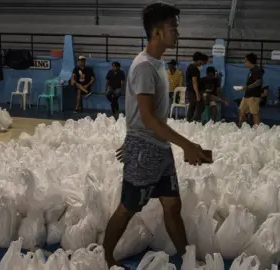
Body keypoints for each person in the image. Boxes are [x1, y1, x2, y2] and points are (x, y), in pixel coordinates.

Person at [102, 3, 212, 269]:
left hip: (158, 149)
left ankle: (187, 258)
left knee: (172, 206)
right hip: (145, 151)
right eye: (173, 27)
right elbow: (148, 118)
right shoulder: (143, 67)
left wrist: (136, 137)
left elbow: (145, 117)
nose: (178, 32)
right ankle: (106, 257)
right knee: (128, 207)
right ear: (157, 33)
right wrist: (187, 145)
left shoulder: (158, 64)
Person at [237, 53, 263, 126]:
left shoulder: (256, 70)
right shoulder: (251, 71)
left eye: (245, 61)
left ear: (249, 61)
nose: (244, 63)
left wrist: (247, 87)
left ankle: (258, 130)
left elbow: (258, 82)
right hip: (247, 95)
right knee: (241, 111)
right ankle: (242, 127)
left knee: (255, 113)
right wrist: (245, 88)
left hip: (254, 96)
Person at [185, 51, 209, 122]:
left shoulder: (191, 67)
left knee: (193, 105)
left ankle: (191, 121)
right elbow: (194, 82)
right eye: (201, 62)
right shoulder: (194, 68)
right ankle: (192, 120)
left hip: (191, 90)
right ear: (198, 60)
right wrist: (197, 93)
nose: (201, 64)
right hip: (192, 90)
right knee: (196, 104)